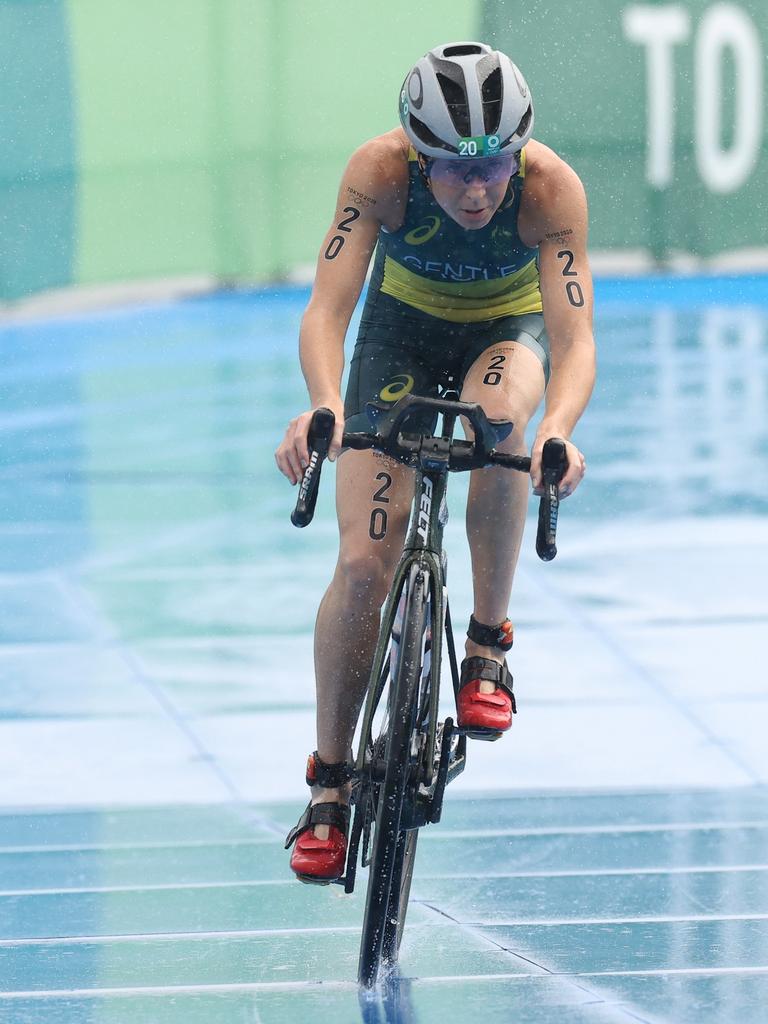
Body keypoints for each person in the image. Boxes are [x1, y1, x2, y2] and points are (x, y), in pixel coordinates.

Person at [276, 42, 595, 883]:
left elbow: (574, 340)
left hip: (508, 332)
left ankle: (487, 642)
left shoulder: (551, 189)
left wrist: (558, 428)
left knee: (498, 423)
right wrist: (324, 405)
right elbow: (326, 310)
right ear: (416, 154)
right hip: (399, 334)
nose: (479, 188)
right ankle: (331, 783)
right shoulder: (378, 173)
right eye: (454, 171)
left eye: (494, 165)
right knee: (359, 569)